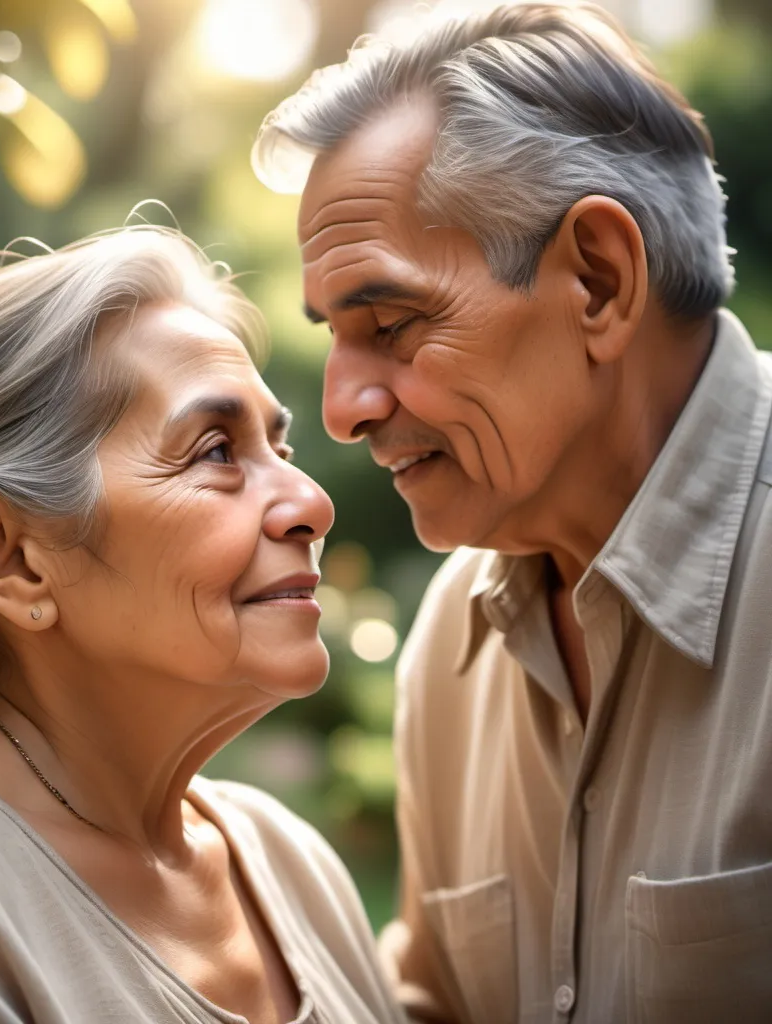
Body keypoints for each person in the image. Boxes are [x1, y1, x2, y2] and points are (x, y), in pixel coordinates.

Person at [252, 3, 772, 1022]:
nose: (340, 409)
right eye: (334, 339)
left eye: (392, 324)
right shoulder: (453, 637)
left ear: (597, 280)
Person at [0, 226, 407, 1024]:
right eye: (214, 451)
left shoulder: (283, 859)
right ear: (8, 555)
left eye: (278, 442)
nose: (312, 504)